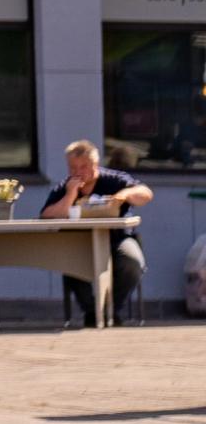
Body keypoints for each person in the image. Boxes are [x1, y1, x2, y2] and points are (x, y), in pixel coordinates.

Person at [38, 140, 153, 327]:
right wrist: (70, 195)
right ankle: (92, 312)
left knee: (132, 262)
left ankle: (111, 309)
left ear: (95, 165)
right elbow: (46, 216)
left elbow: (146, 193)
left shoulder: (114, 180)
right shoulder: (66, 187)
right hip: (80, 243)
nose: (77, 172)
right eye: (72, 167)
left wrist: (124, 195)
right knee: (69, 263)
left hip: (117, 239)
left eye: (83, 167)